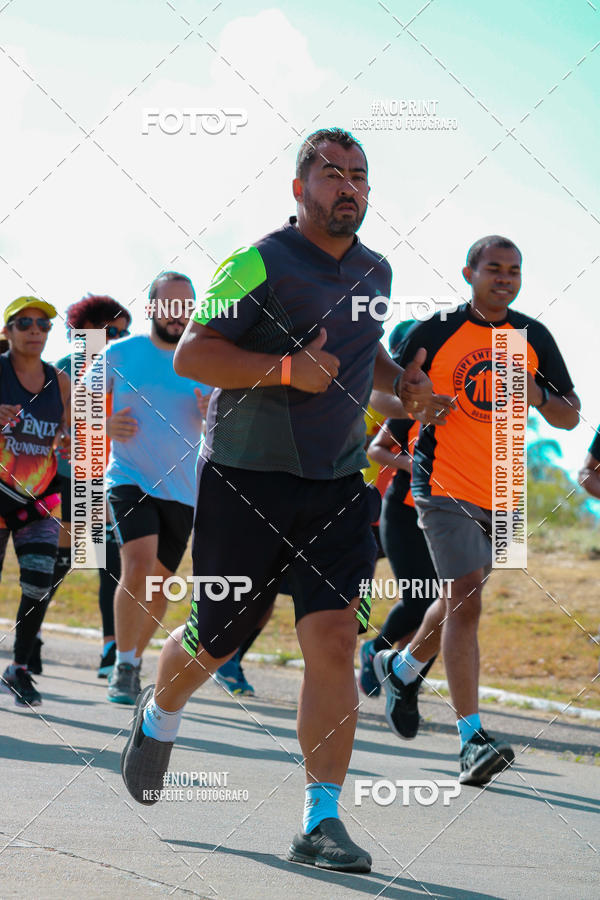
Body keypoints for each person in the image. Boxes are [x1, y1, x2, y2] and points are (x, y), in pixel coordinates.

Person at [119, 127, 433, 874]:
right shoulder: (254, 260)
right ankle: (159, 715)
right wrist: (288, 370)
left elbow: (366, 366)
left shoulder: (376, 271)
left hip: (337, 487)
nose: (347, 186)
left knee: (332, 641)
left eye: (359, 175)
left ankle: (320, 819)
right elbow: (194, 353)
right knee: (217, 638)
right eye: (331, 174)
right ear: (299, 189)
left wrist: (406, 390)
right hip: (244, 481)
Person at [373, 235, 580, 785]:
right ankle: (472, 741)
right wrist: (416, 402)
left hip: (506, 489)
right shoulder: (436, 332)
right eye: (494, 268)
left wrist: (537, 395)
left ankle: (403, 667)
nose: (505, 278)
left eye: (515, 270)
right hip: (443, 484)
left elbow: (570, 417)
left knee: (460, 596)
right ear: (469, 272)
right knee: (465, 597)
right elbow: (385, 397)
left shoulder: (532, 337)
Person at [87, 272, 208, 705]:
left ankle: (135, 658)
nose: (178, 315)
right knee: (136, 563)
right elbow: (82, 406)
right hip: (129, 477)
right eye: (170, 305)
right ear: (153, 308)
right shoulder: (121, 354)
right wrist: (103, 423)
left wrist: (213, 412)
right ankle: (121, 663)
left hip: (183, 490)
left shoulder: (205, 362)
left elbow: (227, 429)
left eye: (185, 306)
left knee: (158, 586)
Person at [30, 295, 131, 679]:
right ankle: (31, 631)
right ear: (85, 333)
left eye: (124, 332)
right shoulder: (68, 369)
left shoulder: (123, 368)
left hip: (107, 480)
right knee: (65, 562)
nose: (120, 338)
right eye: (111, 331)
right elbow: (48, 424)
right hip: (68, 478)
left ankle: (111, 648)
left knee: (110, 564)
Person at [0, 297, 70, 706]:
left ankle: (19, 668)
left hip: (39, 498)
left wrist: (65, 437)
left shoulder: (58, 381)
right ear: (8, 330)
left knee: (39, 583)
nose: (34, 330)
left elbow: (69, 429)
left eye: (42, 324)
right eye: (24, 322)